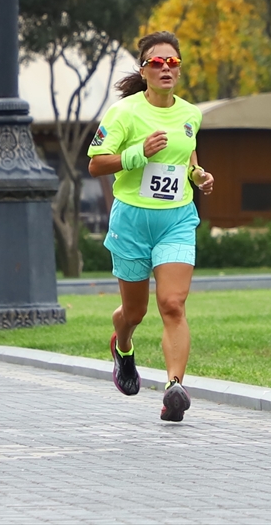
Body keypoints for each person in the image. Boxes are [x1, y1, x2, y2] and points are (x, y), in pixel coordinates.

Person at [88, 30, 215, 423]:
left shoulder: (191, 114)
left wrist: (198, 176)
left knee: (172, 304)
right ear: (143, 70)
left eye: (172, 62)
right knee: (134, 312)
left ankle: (174, 388)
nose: (165, 68)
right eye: (156, 62)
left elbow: (187, 158)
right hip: (132, 221)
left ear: (179, 69)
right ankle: (123, 345)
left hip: (176, 219)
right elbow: (95, 164)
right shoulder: (124, 113)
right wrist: (137, 154)